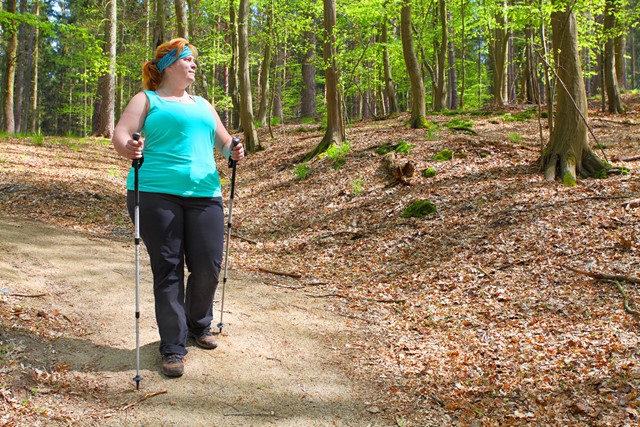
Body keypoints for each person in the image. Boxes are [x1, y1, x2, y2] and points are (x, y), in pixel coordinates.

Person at [112, 38, 244, 378]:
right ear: (170, 64)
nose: (194, 64)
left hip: (205, 192)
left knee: (208, 265)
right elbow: (122, 133)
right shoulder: (147, 99)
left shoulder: (203, 104)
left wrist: (234, 149)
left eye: (194, 60)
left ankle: (199, 323)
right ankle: (173, 345)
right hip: (156, 193)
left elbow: (225, 141)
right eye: (188, 59)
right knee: (168, 269)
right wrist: (128, 146)